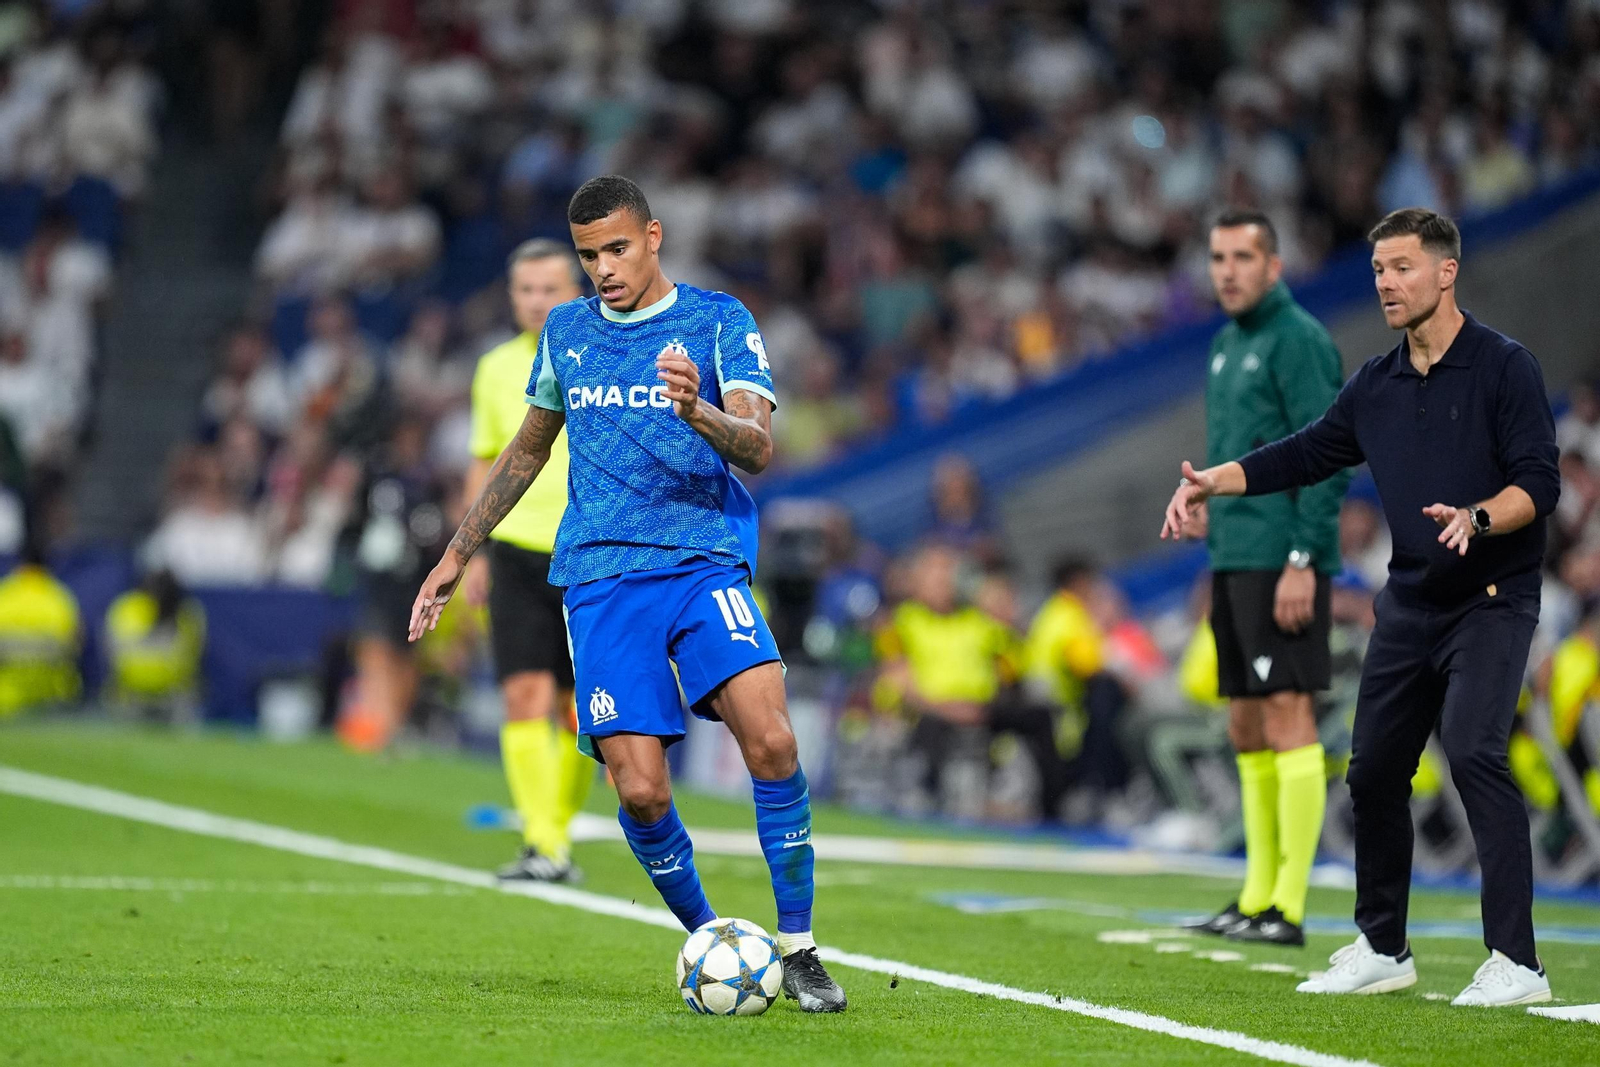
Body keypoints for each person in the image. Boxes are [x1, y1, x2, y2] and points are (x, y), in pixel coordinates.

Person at [410, 175, 847, 1012]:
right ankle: (714, 939)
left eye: (616, 248)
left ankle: (799, 947)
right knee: (641, 790)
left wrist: (701, 413)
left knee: (773, 737)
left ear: (653, 236)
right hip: (602, 579)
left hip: (703, 562)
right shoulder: (567, 331)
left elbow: (756, 446)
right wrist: (457, 554)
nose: (603, 269)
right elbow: (526, 453)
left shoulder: (719, 321)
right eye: (588, 255)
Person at [1162, 208, 1559, 1007]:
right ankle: (1384, 944)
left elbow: (1540, 484)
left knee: (1475, 749)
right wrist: (1216, 479)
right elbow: (1306, 451)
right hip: (1410, 598)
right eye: (1378, 269)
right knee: (1373, 770)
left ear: (1446, 272)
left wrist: (1477, 516)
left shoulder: (1503, 366)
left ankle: (1518, 961)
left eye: (1402, 267)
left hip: (1491, 597)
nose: (1385, 281)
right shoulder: (1375, 383)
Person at [1181, 210, 1348, 948]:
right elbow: (1239, 455)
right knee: (1246, 722)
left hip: (1282, 557)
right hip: (1234, 555)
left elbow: (1329, 455)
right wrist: (1199, 502)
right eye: (1218, 257)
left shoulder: (1300, 340)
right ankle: (1256, 893)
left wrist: (1304, 560)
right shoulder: (1226, 343)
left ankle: (1289, 903)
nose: (1228, 270)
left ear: (1274, 266)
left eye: (1243, 256)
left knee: (1287, 714)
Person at [464, 239, 594, 883]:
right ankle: (544, 845)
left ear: (577, 291)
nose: (537, 301)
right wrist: (473, 549)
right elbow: (483, 460)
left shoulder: (602, 358)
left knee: (581, 709)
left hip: (589, 551)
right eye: (526, 290)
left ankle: (555, 837)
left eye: (550, 288)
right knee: (523, 694)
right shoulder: (493, 369)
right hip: (514, 550)